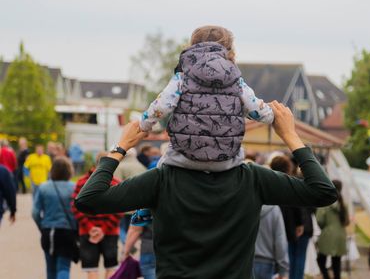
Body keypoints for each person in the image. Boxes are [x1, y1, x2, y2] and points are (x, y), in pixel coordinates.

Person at [74, 101, 338, 279]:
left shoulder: (162, 180)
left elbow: (89, 199)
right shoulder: (253, 179)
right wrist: (290, 135)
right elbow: (322, 191)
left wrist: (120, 147)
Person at [139, 25, 274, 172]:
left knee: (160, 171)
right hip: (226, 159)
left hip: (182, 157)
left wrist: (144, 124)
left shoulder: (182, 77)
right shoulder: (235, 79)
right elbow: (257, 111)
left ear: (192, 47)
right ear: (229, 49)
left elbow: (162, 106)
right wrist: (272, 114)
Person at [72, 152, 123, 279]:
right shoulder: (116, 183)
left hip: (87, 231)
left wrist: (90, 228)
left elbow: (75, 207)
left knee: (91, 269)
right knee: (111, 268)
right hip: (110, 231)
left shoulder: (81, 182)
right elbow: (120, 209)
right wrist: (104, 229)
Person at [32, 157, 77, 279]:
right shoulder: (74, 187)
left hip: (48, 231)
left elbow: (35, 212)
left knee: (50, 268)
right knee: (64, 267)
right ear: (69, 171)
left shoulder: (43, 187)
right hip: (67, 231)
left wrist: (42, 226)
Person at [270, 155, 313, 279]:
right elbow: (302, 205)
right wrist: (300, 224)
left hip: (288, 226)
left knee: (287, 258)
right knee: (297, 258)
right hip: (298, 226)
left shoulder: (272, 183)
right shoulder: (297, 181)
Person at [316, 180, 349, 279]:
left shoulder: (325, 202)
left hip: (327, 234)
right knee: (336, 263)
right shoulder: (344, 204)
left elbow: (319, 219)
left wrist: (324, 228)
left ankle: (326, 277)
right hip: (341, 235)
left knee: (321, 260)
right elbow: (346, 222)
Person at [113, 148, 147, 244]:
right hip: (139, 203)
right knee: (133, 228)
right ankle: (129, 246)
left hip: (124, 202)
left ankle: (127, 245)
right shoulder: (141, 166)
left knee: (121, 227)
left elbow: (116, 185)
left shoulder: (120, 166)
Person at [254, 205, 289, 279]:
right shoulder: (274, 210)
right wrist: (283, 270)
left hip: (245, 263)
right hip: (266, 263)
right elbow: (280, 241)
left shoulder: (244, 206)